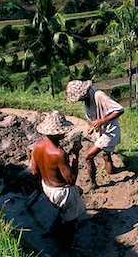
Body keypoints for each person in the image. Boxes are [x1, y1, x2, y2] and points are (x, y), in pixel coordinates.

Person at [31, 110, 85, 243]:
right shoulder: (59, 154)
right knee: (71, 222)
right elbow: (71, 180)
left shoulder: (37, 145)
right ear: (59, 133)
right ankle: (66, 245)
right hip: (62, 192)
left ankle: (56, 229)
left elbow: (34, 171)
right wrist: (76, 156)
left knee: (74, 196)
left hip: (47, 187)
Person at [66, 80, 124, 189]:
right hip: (102, 130)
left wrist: (101, 121)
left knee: (88, 156)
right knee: (105, 154)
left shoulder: (99, 96)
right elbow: (95, 117)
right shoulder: (88, 99)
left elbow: (119, 110)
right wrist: (92, 126)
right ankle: (112, 170)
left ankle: (93, 184)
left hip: (110, 131)